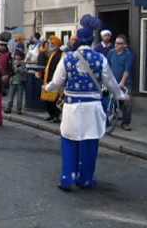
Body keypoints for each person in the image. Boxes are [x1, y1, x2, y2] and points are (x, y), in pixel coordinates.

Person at [45, 15, 128, 192]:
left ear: (76, 40)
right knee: (90, 143)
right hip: (93, 108)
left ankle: (68, 178)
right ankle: (86, 179)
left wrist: (48, 87)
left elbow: (57, 82)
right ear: (92, 41)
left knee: (69, 141)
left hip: (72, 107)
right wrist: (121, 96)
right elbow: (111, 82)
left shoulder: (67, 58)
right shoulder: (100, 59)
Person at [107, 34, 134, 131]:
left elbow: (127, 70)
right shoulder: (111, 53)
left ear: (124, 45)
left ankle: (125, 123)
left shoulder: (128, 55)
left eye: (119, 43)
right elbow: (108, 67)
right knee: (110, 100)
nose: (116, 45)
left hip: (125, 83)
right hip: (113, 81)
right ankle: (111, 117)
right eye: (116, 43)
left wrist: (122, 83)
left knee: (127, 102)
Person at [41, 36, 63, 123]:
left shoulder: (60, 54)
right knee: (47, 100)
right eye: (51, 43)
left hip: (54, 80)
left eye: (53, 44)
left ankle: (56, 116)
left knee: (54, 100)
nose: (51, 45)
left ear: (57, 45)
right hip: (48, 79)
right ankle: (51, 115)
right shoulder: (53, 53)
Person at [6, 50, 27, 115]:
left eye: (18, 56)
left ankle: (19, 109)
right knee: (10, 96)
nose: (17, 57)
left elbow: (25, 71)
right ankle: (8, 108)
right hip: (13, 81)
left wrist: (19, 68)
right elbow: (10, 70)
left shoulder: (23, 63)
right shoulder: (12, 62)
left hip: (20, 82)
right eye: (16, 55)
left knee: (19, 97)